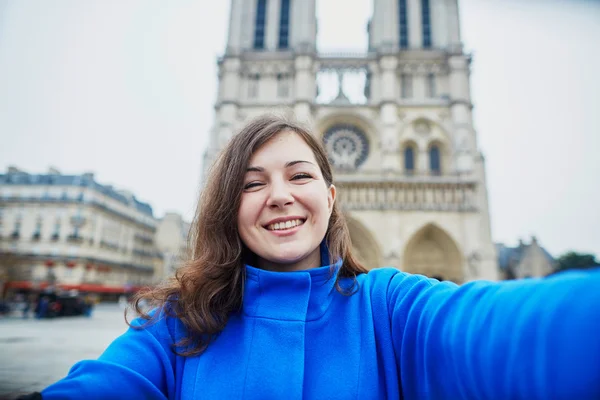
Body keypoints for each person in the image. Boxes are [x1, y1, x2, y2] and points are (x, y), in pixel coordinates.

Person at [30, 115, 599, 399]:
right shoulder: (177, 326)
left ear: (330, 197)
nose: (280, 194)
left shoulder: (390, 310)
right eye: (252, 184)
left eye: (300, 175)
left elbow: (512, 331)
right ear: (228, 207)